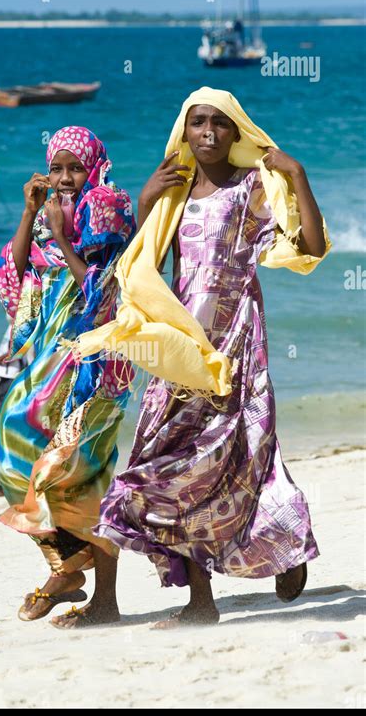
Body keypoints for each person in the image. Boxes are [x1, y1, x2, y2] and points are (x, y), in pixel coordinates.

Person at [51, 87, 332, 629]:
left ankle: (252, 565)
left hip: (235, 343)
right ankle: (128, 600)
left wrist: (297, 175)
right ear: (184, 131)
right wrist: (147, 199)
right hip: (180, 346)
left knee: (238, 455)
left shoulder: (253, 187)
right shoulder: (174, 190)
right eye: (197, 122)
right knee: (153, 464)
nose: (208, 132)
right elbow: (135, 269)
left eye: (219, 123)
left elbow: (312, 249)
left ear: (236, 132)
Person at [0, 126, 136, 621]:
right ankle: (65, 560)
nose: (65, 177)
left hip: (96, 361)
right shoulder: (46, 213)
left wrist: (61, 234)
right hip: (47, 357)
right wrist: (32, 212)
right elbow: (13, 276)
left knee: (86, 472)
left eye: (75, 167)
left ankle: (103, 599)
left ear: (94, 165)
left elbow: (106, 288)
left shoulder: (109, 207)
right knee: (14, 439)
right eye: (56, 168)